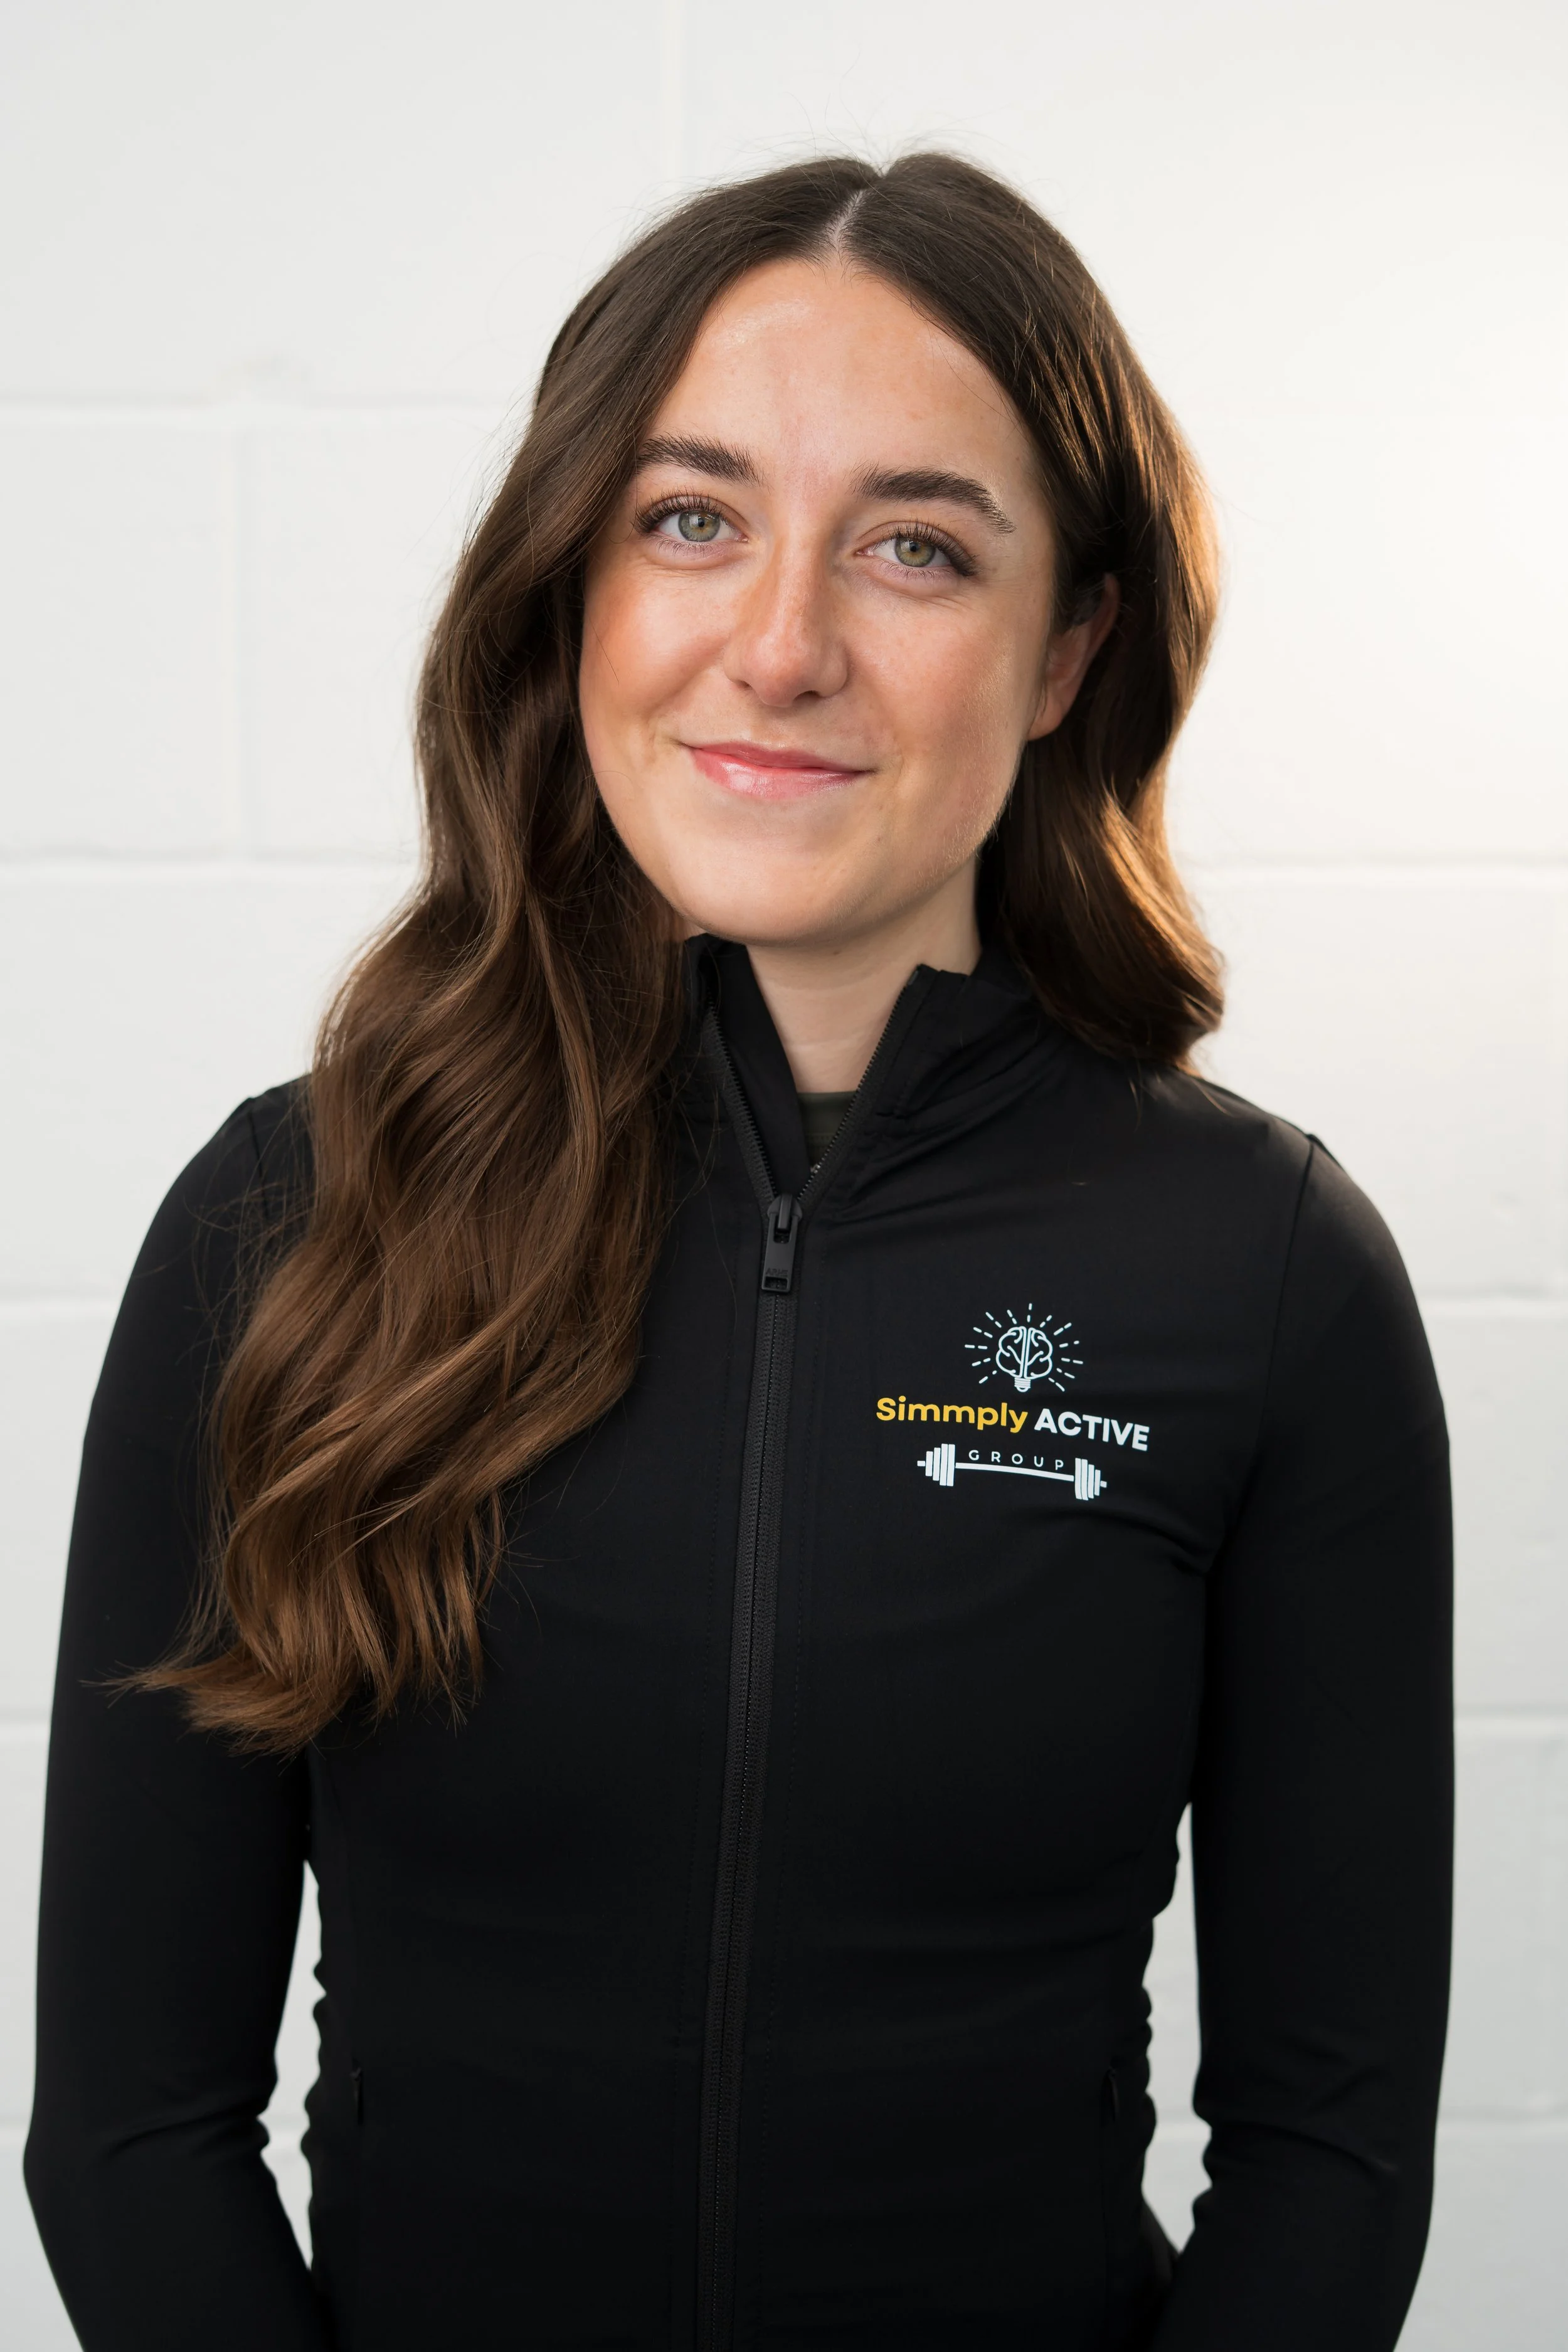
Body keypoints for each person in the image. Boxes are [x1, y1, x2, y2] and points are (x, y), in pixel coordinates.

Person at [24, 152, 1452, 2351]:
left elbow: (1326, 2152)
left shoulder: (1261, 1271)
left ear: (1069, 642)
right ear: (572, 589)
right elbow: (128, 2122)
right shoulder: (284, 1223)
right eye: (689, 518)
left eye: (913, 546)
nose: (777, 646)